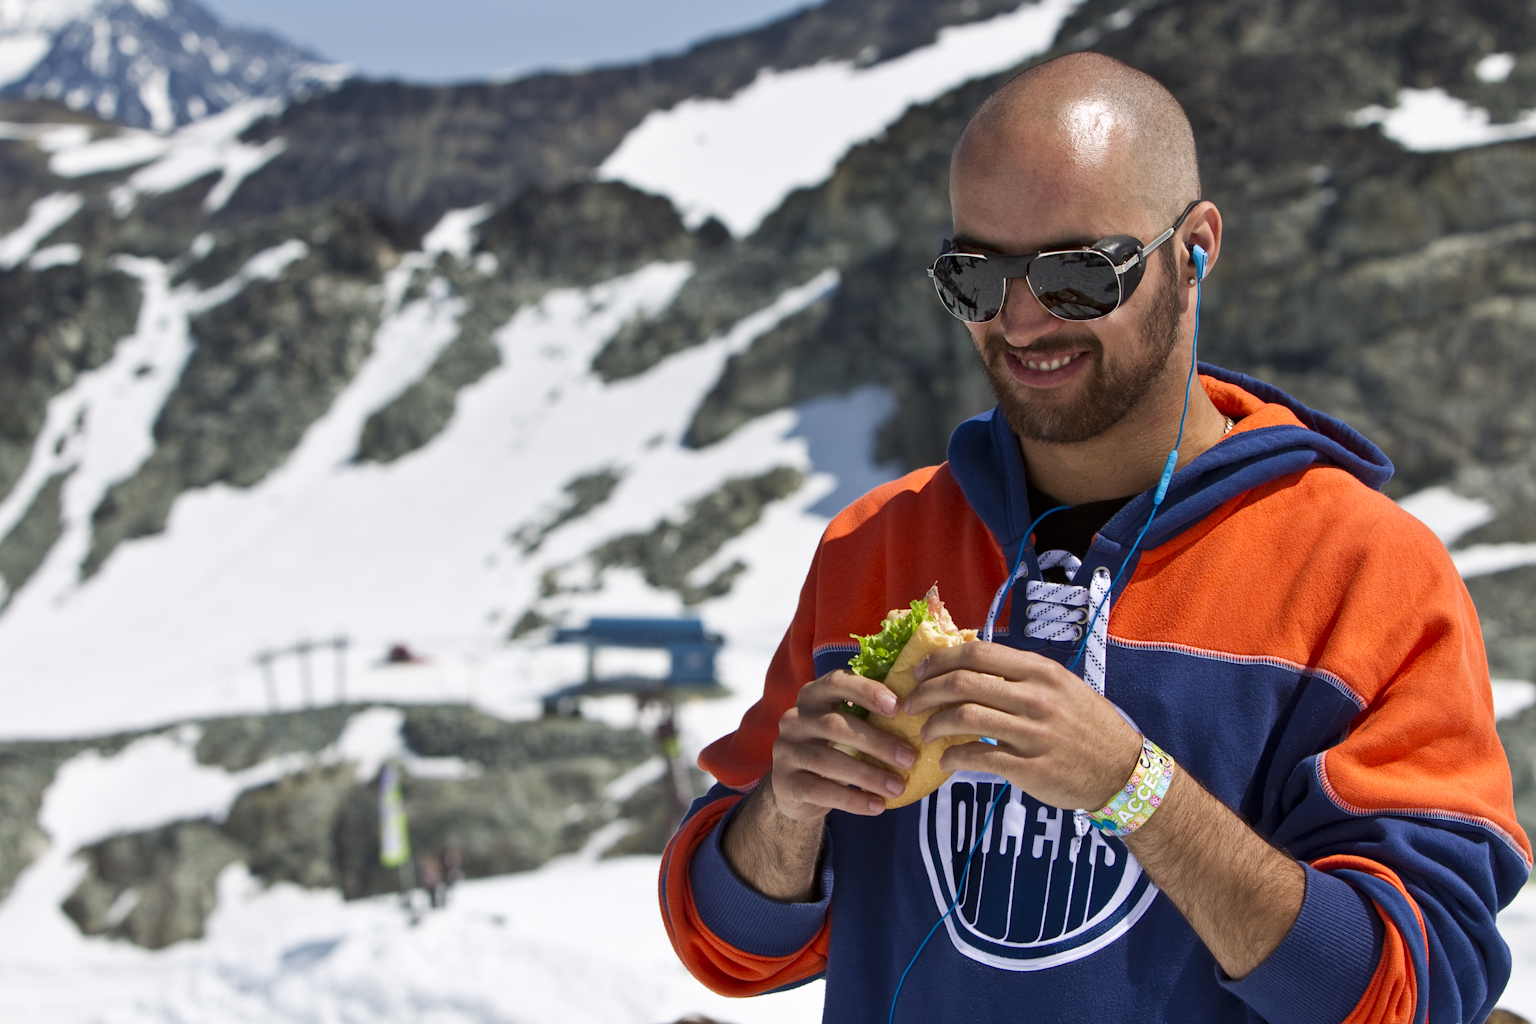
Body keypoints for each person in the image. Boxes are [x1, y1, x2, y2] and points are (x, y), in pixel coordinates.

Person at [657, 52, 1531, 1024]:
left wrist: (1134, 786)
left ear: (1195, 248)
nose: (1023, 319)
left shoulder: (1366, 571)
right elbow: (727, 946)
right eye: (975, 278)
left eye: (1079, 274)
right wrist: (789, 805)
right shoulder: (879, 543)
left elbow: (1416, 990)